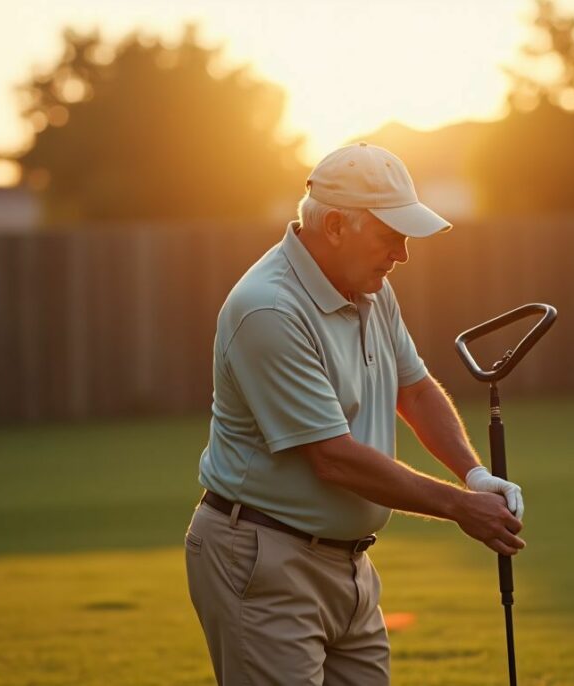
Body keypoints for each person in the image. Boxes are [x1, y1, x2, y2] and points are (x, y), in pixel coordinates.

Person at [185, 142, 525, 685]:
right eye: (391, 235)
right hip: (262, 557)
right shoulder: (269, 309)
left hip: (349, 565)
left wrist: (474, 474)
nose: (403, 254)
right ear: (337, 226)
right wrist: (460, 508)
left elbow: (413, 390)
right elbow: (333, 459)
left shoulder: (371, 289)